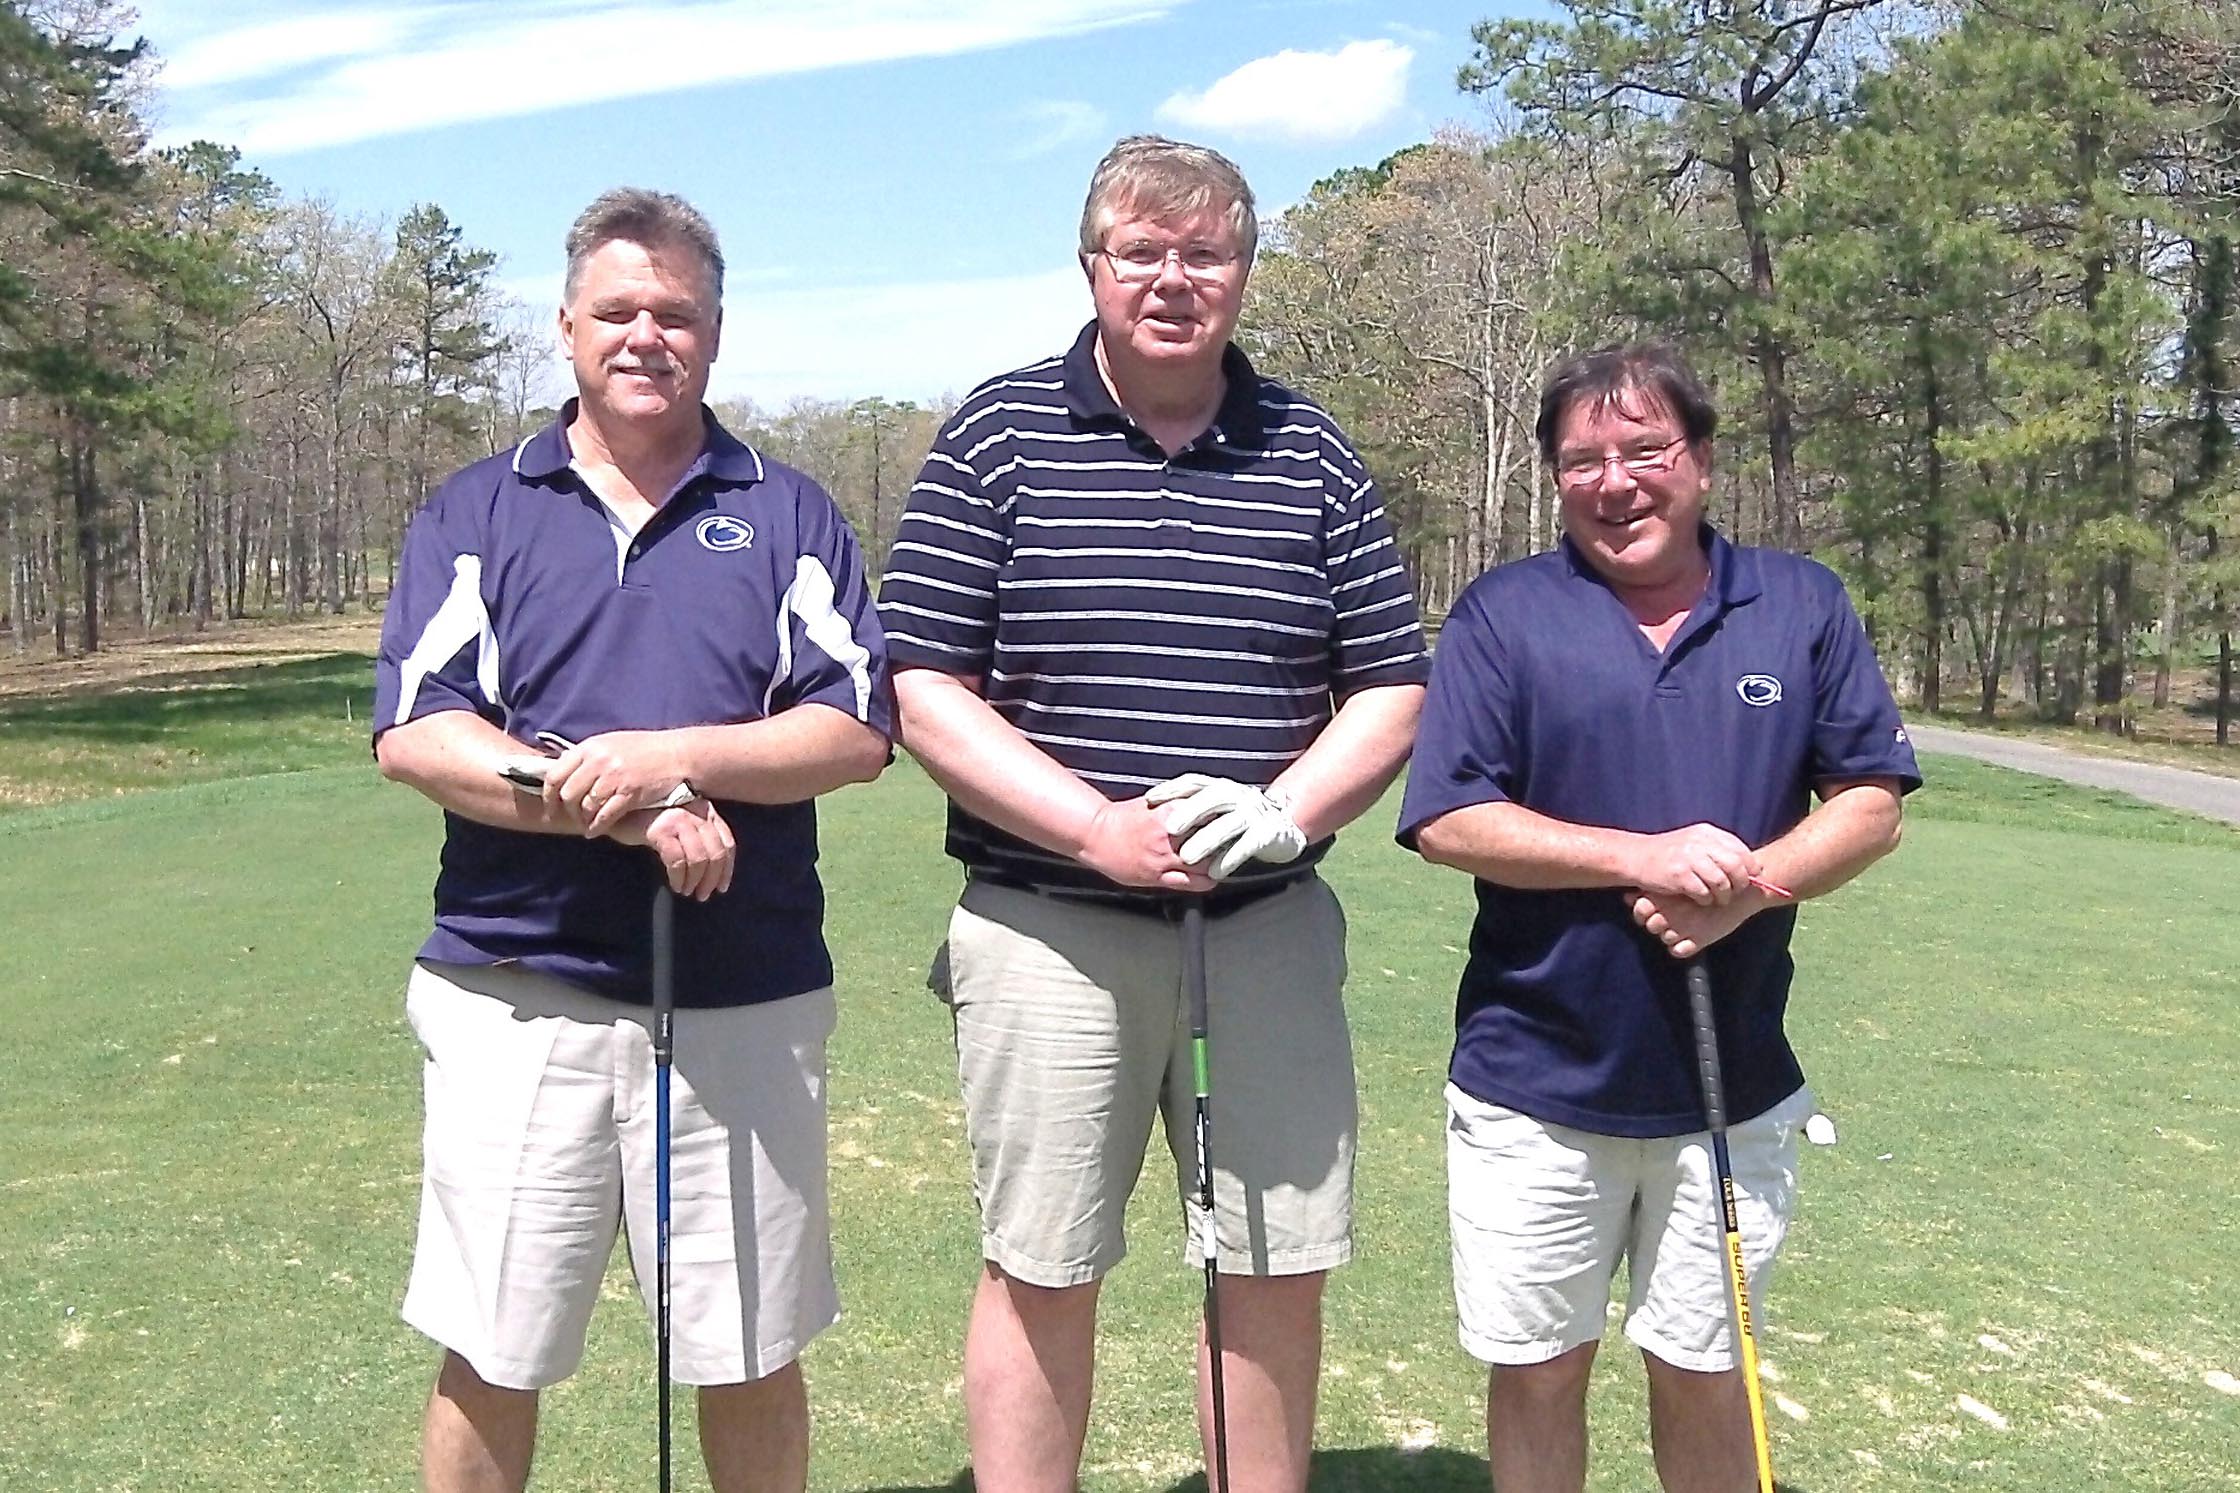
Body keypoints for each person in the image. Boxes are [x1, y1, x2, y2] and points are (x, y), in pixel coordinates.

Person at [875, 134, 1429, 1493]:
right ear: (1093, 265)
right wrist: (1090, 828)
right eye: (1143, 250)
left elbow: (1394, 687)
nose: (1173, 278)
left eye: (1205, 251)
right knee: (1043, 1263)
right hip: (1051, 925)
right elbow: (922, 681)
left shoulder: (1310, 447)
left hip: (1264, 929)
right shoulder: (999, 432)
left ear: (1242, 270)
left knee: (1271, 1266)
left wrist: (1288, 812)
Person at [371, 187, 892, 1493]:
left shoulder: (785, 513)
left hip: (742, 995)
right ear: (566, 328)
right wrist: (617, 798)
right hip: (516, 993)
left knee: (749, 1348)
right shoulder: (480, 510)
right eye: (619, 311)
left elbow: (854, 730)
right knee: (493, 1343)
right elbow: (420, 732)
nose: (646, 334)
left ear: (716, 331)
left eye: (676, 312)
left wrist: (681, 758)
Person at [1396, 343, 1919, 1492]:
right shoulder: (1502, 615)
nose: (1614, 480)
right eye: (1581, 459)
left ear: (1701, 461)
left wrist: (1751, 889)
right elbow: (1447, 819)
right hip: (1532, 1081)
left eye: (1644, 449)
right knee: (1537, 1367)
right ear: (1552, 477)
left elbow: (1871, 803)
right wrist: (1639, 855)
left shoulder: (1799, 603)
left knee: (1701, 1364)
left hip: (1728, 1085)